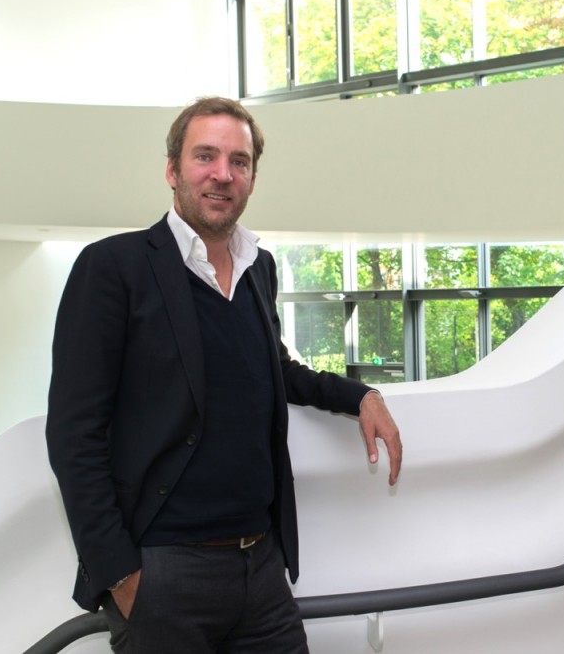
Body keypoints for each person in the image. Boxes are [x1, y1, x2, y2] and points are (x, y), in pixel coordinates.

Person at [46, 96, 403, 653]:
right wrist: (121, 576)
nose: (222, 174)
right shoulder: (113, 267)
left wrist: (361, 395)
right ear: (172, 169)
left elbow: (273, 368)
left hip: (260, 565)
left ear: (253, 178)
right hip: (163, 572)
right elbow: (73, 432)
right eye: (205, 156)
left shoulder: (259, 265)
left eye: (239, 161)